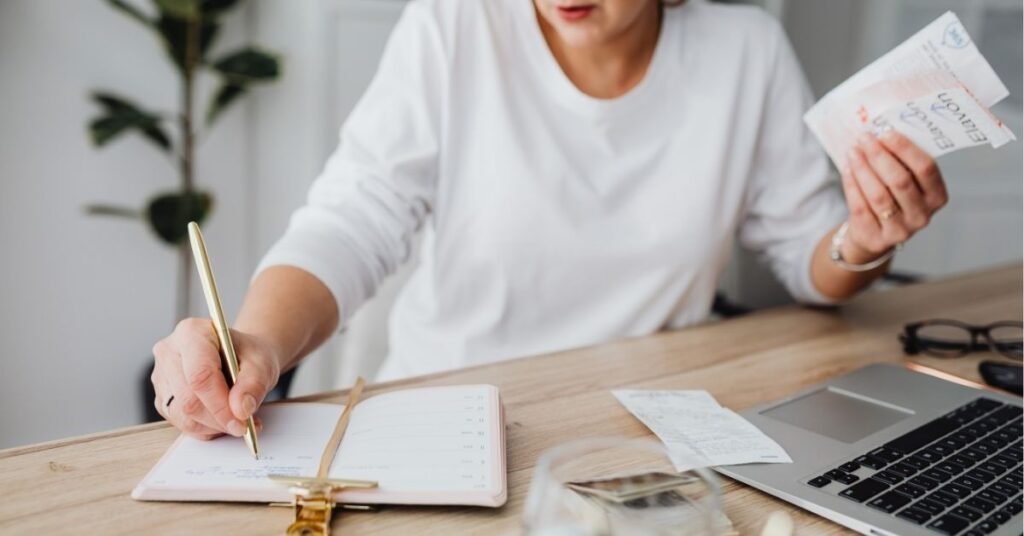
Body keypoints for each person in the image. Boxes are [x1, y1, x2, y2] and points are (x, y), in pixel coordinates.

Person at [150, 0, 948, 439]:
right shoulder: (453, 27)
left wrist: (861, 240)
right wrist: (254, 341)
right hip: (448, 430)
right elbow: (353, 218)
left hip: (647, 435)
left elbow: (811, 253)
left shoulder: (748, 52)